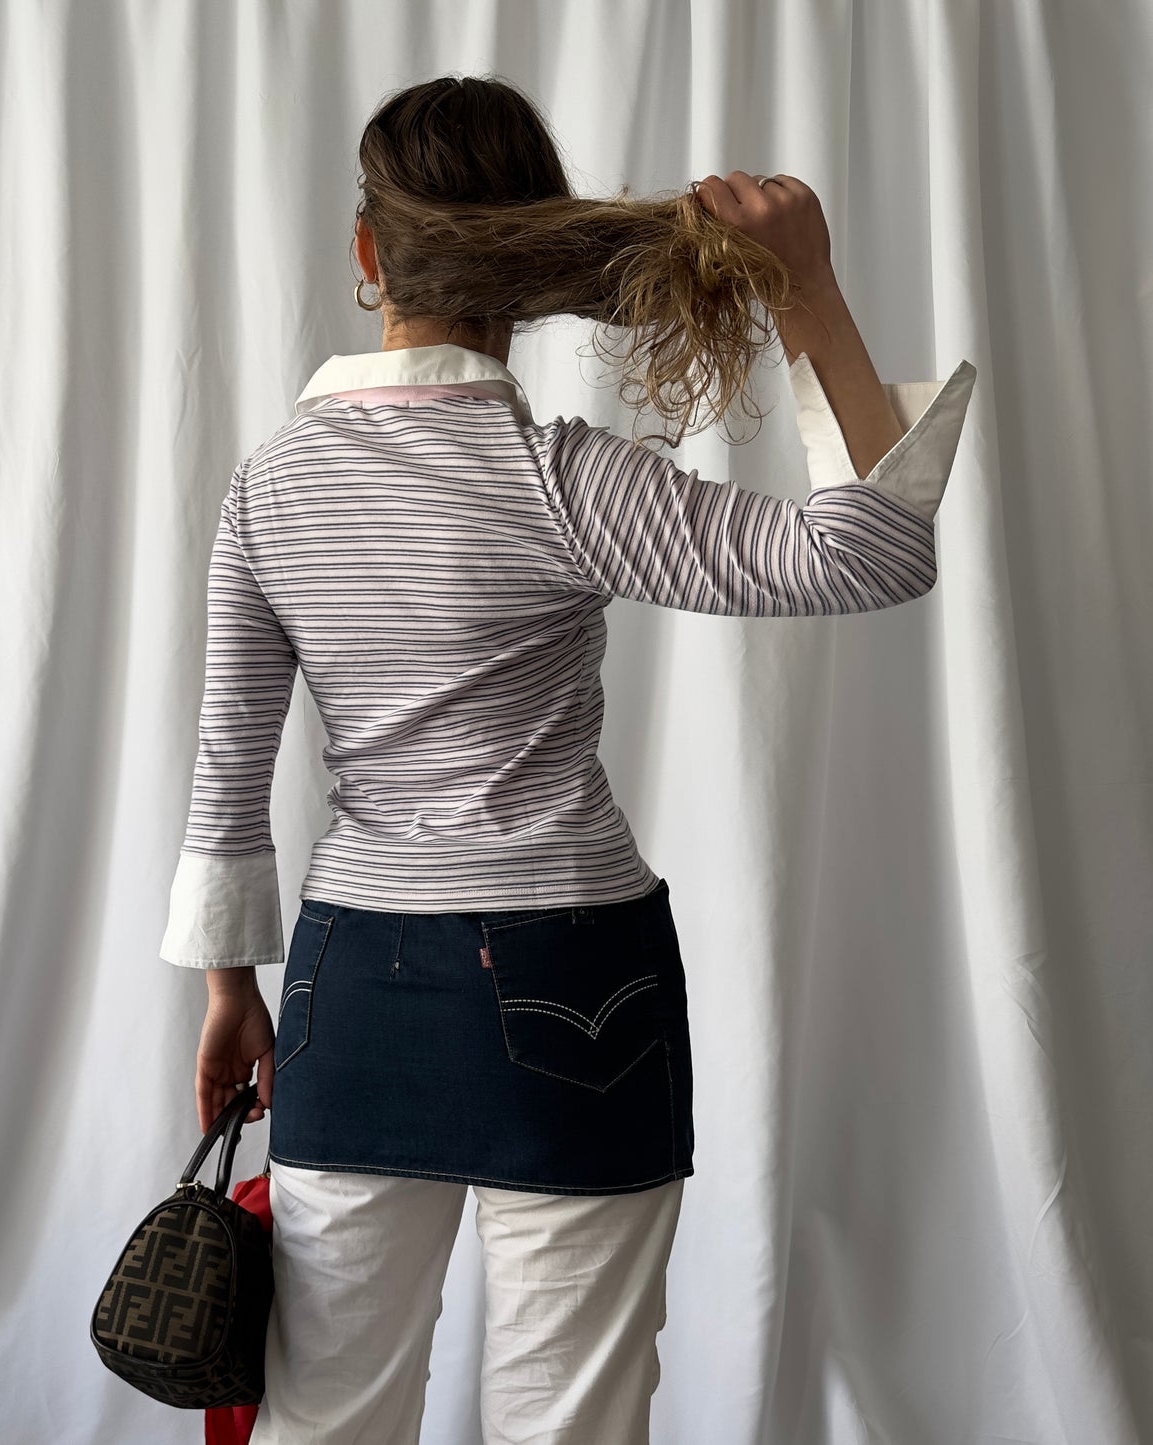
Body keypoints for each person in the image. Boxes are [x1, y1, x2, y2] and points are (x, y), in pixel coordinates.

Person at [159, 73, 976, 1445]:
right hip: (574, 982)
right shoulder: (556, 474)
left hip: (352, 981)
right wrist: (807, 293)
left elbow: (226, 779)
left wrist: (227, 989)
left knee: (319, 1418)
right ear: (527, 265)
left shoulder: (269, 483)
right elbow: (873, 554)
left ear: (366, 254)